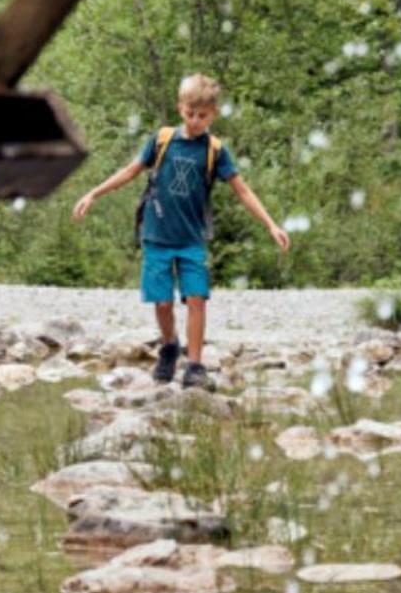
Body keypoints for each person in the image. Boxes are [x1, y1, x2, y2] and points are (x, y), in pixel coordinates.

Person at [72, 72, 290, 389]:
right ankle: (170, 346)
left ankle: (196, 365)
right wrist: (93, 193)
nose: (195, 120)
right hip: (157, 236)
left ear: (213, 114)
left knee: (197, 299)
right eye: (190, 113)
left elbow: (242, 191)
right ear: (180, 108)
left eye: (202, 115)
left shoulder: (215, 150)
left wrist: (271, 224)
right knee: (162, 303)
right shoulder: (162, 141)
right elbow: (131, 171)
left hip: (192, 240)